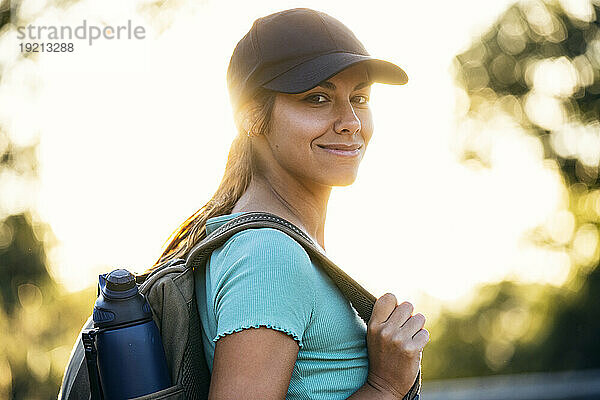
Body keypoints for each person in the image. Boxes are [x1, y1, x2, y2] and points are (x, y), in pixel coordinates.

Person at [148, 7, 429, 399]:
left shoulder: (273, 246)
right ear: (250, 117)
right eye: (317, 98)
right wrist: (384, 387)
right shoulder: (268, 256)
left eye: (360, 97)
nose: (350, 121)